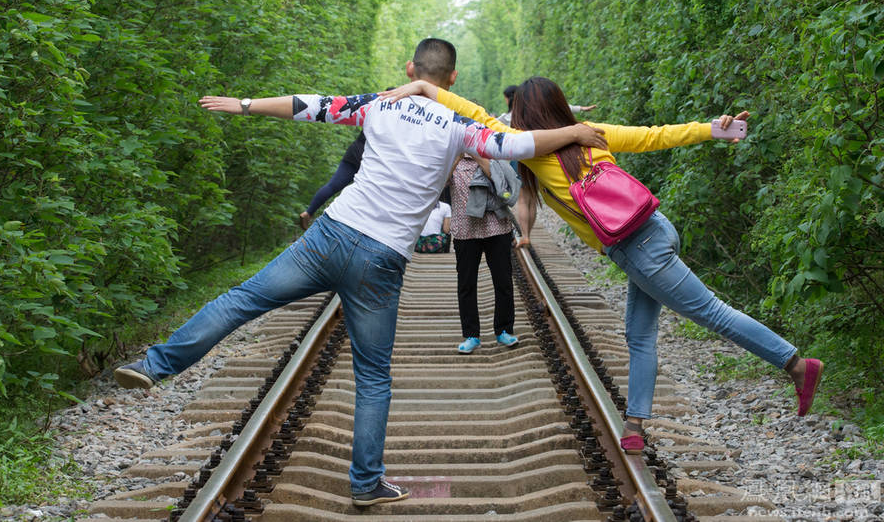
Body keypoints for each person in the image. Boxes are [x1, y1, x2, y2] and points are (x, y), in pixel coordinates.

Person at [112, 39, 609, 505]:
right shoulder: (459, 127)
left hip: (329, 236)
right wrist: (575, 132)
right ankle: (366, 483)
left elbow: (309, 105)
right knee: (372, 376)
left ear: (411, 71)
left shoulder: (380, 104)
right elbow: (518, 145)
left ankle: (154, 366)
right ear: (451, 78)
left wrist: (244, 104)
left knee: (241, 300)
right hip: (382, 259)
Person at [381, 76, 824, 456]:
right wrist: (713, 129)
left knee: (708, 311)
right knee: (639, 333)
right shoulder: (591, 132)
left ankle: (794, 364)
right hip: (654, 226)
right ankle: (635, 426)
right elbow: (654, 135)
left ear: (524, 118)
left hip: (636, 247)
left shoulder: (529, 149)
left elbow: (472, 112)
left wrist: (422, 87)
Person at [450, 153, 520, 353]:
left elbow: (500, 181)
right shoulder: (451, 158)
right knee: (466, 284)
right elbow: (441, 182)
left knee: (503, 281)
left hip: (497, 227)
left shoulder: (492, 157)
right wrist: (456, 155)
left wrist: (477, 154)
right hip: (465, 230)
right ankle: (471, 335)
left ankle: (504, 330)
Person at [298, 130, 365, 230]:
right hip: (369, 156)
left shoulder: (374, 114)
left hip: (354, 151)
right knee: (365, 193)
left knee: (332, 186)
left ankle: (309, 212)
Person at [498, 84, 596, 125]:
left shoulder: (505, 119)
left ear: (508, 99)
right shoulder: (534, 108)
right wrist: (581, 108)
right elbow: (556, 108)